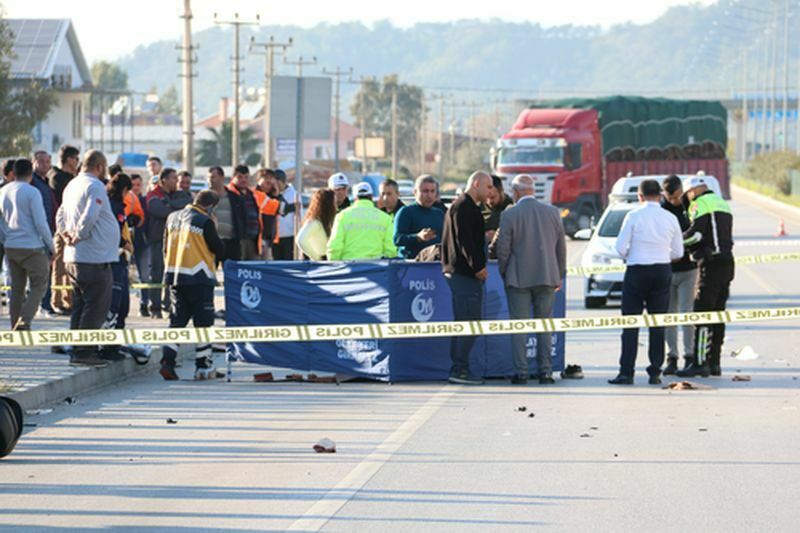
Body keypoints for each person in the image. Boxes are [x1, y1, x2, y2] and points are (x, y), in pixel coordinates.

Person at [609, 179, 683, 385]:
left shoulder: (633, 216)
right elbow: (678, 252)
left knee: (630, 323)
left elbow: (620, 248)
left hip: (637, 271)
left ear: (640, 197)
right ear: (659, 195)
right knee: (657, 323)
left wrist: (634, 253)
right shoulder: (669, 217)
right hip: (661, 270)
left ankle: (626, 372)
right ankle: (655, 371)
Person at [495, 174, 566, 385]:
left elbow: (503, 248)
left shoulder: (510, 214)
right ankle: (545, 371)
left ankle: (522, 372)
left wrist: (504, 271)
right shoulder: (553, 212)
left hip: (518, 278)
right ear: (532, 190)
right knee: (544, 324)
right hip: (547, 275)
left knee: (519, 326)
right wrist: (559, 274)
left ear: (515, 193)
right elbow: (560, 248)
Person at [56, 150, 120, 367]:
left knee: (80, 305)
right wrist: (78, 234)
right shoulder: (95, 185)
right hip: (93, 258)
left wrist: (65, 232)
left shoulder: (72, 185)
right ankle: (84, 352)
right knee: (95, 306)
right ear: (100, 167)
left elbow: (60, 214)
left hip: (75, 257)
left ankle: (77, 349)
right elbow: (91, 213)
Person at [160, 190, 225, 381]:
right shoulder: (204, 221)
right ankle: (203, 367)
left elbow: (165, 246)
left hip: (176, 277)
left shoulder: (172, 218)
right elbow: (218, 248)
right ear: (211, 207)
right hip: (199, 278)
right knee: (203, 325)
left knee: (176, 323)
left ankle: (167, 362)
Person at [677, 175, 735, 378]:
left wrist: (677, 242)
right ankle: (714, 363)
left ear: (692, 191)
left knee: (702, 314)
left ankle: (700, 363)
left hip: (710, 265)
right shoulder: (722, 203)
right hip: (727, 263)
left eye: (687, 196)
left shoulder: (699, 204)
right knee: (718, 314)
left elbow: (696, 235)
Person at [441, 171, 493, 385]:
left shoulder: (466, 206)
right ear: (477, 184)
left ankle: (459, 366)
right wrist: (478, 266)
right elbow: (465, 241)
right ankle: (459, 369)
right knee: (470, 322)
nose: (490, 192)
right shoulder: (463, 207)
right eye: (488, 187)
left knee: (465, 322)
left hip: (462, 274)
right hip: (464, 274)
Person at [0, 159, 54, 331]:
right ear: (31, 174)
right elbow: (41, 222)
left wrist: (6, 239)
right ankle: (25, 320)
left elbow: (1, 223)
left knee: (17, 287)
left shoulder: (3, 191)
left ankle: (14, 323)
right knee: (40, 283)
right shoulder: (32, 192)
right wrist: (51, 246)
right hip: (32, 246)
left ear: (13, 174)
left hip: (11, 245)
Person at [660, 175, 698, 375]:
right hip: (667, 270)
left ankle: (690, 356)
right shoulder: (660, 211)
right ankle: (672, 356)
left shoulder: (689, 207)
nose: (675, 200)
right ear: (664, 194)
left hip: (689, 269)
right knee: (669, 316)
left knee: (687, 314)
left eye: (678, 196)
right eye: (672, 197)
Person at [146, 167, 191, 318]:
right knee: (156, 274)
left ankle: (169, 305)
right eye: (173, 178)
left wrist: (169, 204)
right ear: (164, 180)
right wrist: (173, 207)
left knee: (172, 274)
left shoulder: (177, 194)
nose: (176, 182)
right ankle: (155, 308)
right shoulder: (153, 195)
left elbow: (188, 203)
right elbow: (159, 211)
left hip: (174, 240)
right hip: (158, 240)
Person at [100, 172, 134, 360]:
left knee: (123, 307)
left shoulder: (119, 206)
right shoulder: (113, 206)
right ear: (123, 189)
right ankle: (108, 347)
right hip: (113, 260)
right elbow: (111, 230)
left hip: (121, 260)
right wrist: (124, 243)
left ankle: (115, 344)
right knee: (114, 306)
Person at [327, 182, 397, 260]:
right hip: (376, 268)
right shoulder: (386, 218)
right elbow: (391, 250)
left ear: (354, 198)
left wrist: (333, 264)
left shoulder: (342, 216)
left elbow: (335, 246)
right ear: (371, 197)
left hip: (349, 268)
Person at [48, 145, 79, 315]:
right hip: (62, 228)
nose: (77, 162)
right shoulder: (58, 177)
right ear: (69, 159)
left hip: (72, 228)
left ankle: (69, 300)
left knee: (70, 265)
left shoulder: (70, 177)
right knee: (59, 265)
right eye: (76, 158)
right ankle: (57, 300)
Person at [394, 175, 445, 259]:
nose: (429, 195)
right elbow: (397, 239)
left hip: (434, 264)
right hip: (413, 264)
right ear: (415, 192)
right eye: (425, 191)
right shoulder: (406, 212)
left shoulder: (439, 213)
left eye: (432, 191)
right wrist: (418, 237)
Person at [32, 151, 57, 317]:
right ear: (34, 162)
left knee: (46, 269)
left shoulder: (45, 182)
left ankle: (45, 302)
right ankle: (43, 304)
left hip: (49, 230)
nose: (45, 165)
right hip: (37, 234)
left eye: (48, 162)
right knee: (39, 271)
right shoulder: (33, 183)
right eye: (41, 161)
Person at [207, 166, 241, 264]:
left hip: (231, 242)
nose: (210, 180)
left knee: (231, 274)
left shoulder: (234, 197)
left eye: (213, 177)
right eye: (209, 177)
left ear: (222, 177)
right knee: (211, 274)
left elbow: (242, 218)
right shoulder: (205, 198)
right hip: (212, 243)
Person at [130, 174, 151, 316]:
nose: (136, 188)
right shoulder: (124, 200)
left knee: (144, 275)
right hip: (125, 244)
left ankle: (144, 303)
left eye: (138, 185)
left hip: (142, 242)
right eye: (133, 185)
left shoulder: (145, 201)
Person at [297, 189, 337, 260]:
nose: (335, 205)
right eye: (334, 202)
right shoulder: (315, 222)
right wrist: (316, 258)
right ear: (328, 204)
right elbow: (300, 240)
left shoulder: (324, 221)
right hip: (319, 262)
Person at [272, 169, 298, 260]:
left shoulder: (293, 194)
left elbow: (298, 215)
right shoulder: (272, 194)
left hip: (289, 236)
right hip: (275, 237)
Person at [482, 175, 514, 241]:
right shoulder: (478, 207)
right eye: (487, 197)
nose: (489, 201)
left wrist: (497, 235)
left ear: (501, 191)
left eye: (493, 197)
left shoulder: (512, 208)